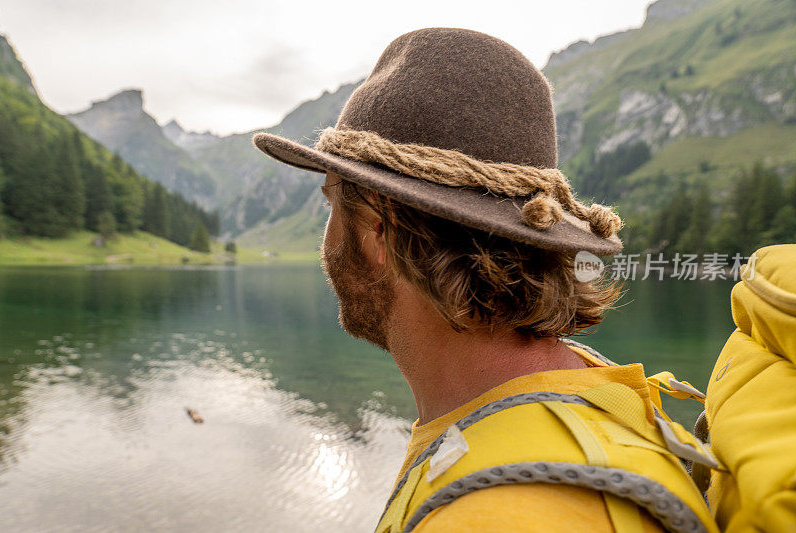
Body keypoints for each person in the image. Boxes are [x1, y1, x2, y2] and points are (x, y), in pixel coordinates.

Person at [254, 28, 718, 533]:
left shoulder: (498, 517)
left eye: (331, 204)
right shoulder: (585, 382)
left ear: (376, 227)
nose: (326, 239)